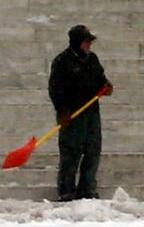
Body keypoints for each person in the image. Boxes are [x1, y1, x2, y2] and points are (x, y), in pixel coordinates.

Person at [47, 24, 112, 203]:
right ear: (77, 42)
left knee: (92, 150)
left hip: (91, 113)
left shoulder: (92, 60)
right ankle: (66, 189)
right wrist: (62, 110)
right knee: (71, 152)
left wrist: (106, 86)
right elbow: (55, 88)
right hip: (71, 114)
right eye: (86, 41)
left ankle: (87, 188)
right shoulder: (62, 61)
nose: (89, 45)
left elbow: (101, 79)